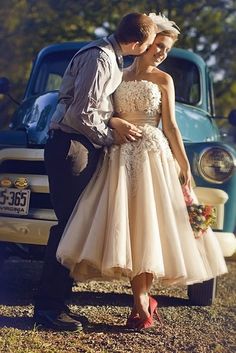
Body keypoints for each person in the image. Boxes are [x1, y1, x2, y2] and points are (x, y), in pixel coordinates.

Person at [56, 13, 228, 331]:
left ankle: (141, 301)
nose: (161, 53)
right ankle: (139, 300)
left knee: (149, 227)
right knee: (130, 229)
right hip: (118, 156)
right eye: (158, 45)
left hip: (152, 154)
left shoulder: (164, 80)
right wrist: (114, 122)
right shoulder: (116, 74)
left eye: (166, 49)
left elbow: (172, 126)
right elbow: (99, 111)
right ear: (145, 43)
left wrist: (184, 165)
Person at [33, 13, 157, 331]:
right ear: (138, 43)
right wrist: (110, 137)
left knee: (74, 226)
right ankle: (48, 308)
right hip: (72, 146)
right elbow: (82, 114)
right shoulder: (101, 59)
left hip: (80, 145)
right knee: (67, 227)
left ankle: (59, 304)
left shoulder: (108, 56)